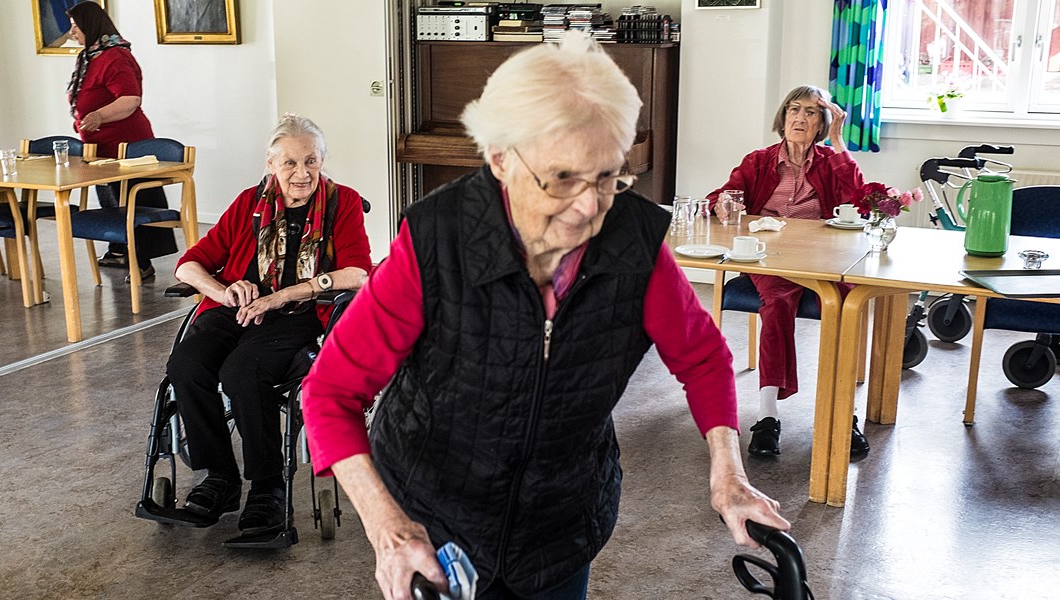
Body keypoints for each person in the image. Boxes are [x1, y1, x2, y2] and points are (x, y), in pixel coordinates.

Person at [303, 33, 787, 600]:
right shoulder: (437, 240)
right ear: (501, 159)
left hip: (562, 516)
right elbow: (330, 393)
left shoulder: (633, 238)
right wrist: (386, 526)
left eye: (608, 176)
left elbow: (702, 356)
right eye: (562, 177)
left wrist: (727, 471)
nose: (589, 205)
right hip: (435, 516)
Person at [166, 114, 372, 535]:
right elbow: (189, 265)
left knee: (243, 370)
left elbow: (358, 274)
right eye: (290, 163)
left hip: (296, 316)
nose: (302, 173)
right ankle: (220, 478)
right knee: (186, 364)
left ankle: (267, 487)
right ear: (270, 164)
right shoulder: (249, 203)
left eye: (311, 161)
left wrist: (283, 295)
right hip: (235, 309)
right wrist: (223, 292)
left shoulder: (342, 202)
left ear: (322, 161)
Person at [706, 84, 869, 459]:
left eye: (811, 112)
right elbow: (723, 196)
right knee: (777, 304)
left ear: (822, 123)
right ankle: (767, 416)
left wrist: (839, 141)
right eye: (794, 109)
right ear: (783, 117)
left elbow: (858, 196)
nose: (800, 117)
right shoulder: (758, 161)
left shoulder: (830, 161)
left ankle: (846, 413)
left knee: (848, 303)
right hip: (768, 257)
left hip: (823, 258)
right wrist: (721, 204)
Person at [66, 1, 177, 280]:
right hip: (102, 148)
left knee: (132, 201)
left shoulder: (115, 57)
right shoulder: (90, 56)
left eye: (76, 27)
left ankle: (141, 261)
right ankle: (119, 249)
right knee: (112, 201)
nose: (72, 34)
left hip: (128, 145)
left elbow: (130, 100)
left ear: (91, 26)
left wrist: (99, 116)